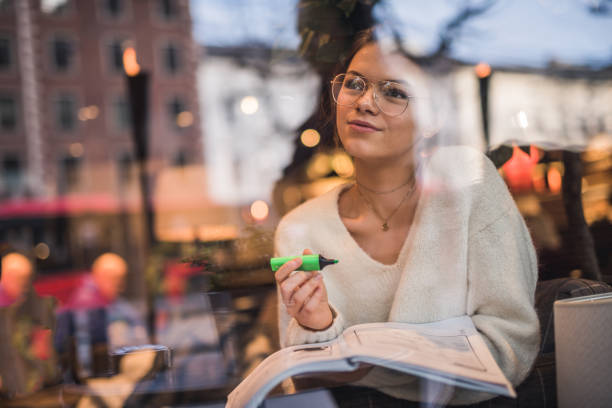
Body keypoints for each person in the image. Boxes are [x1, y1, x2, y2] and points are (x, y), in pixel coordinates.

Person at [273, 29, 539, 406]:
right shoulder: (301, 228)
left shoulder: (465, 182)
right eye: (354, 84)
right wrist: (317, 326)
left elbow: (510, 348)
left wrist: (362, 367)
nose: (365, 102)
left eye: (394, 92)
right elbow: (308, 381)